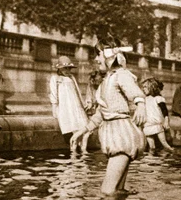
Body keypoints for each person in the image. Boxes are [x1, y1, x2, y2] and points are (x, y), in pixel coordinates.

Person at [71, 37, 146, 196]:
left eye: (98, 55)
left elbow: (135, 92)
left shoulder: (121, 75)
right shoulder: (107, 80)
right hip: (116, 136)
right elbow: (101, 113)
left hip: (121, 137)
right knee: (117, 191)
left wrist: (141, 105)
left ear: (108, 56)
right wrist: (82, 131)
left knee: (107, 191)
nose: (96, 59)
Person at [50, 56, 90, 153]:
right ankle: (74, 150)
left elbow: (77, 91)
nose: (67, 71)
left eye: (69, 68)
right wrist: (54, 108)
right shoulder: (55, 78)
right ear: (59, 68)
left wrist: (82, 103)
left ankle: (83, 149)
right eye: (65, 68)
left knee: (83, 127)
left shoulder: (72, 78)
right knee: (72, 127)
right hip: (65, 107)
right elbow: (53, 93)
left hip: (75, 105)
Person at [141, 77, 174, 153]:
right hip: (147, 125)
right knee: (151, 146)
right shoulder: (145, 99)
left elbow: (165, 111)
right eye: (143, 87)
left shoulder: (158, 98)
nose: (143, 89)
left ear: (152, 87)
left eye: (145, 87)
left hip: (157, 124)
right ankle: (151, 160)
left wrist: (166, 121)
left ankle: (172, 154)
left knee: (164, 143)